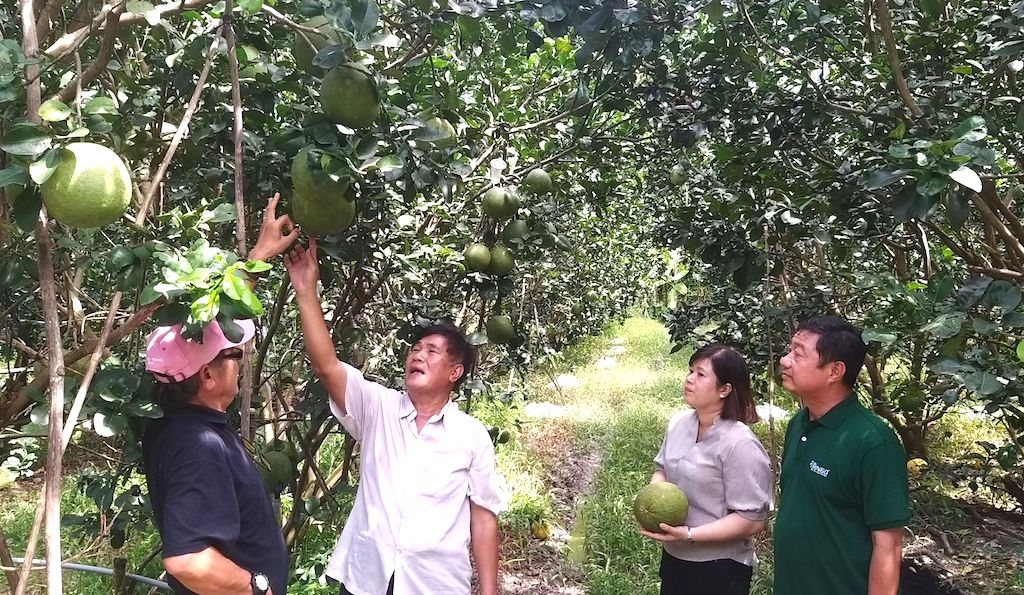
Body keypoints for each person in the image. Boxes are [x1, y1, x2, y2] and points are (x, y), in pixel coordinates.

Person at [284, 237, 508, 595]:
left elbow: (483, 517)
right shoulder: (378, 407)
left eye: (431, 351)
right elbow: (327, 367)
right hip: (367, 578)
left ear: (455, 372)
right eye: (415, 349)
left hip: (434, 585)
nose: (417, 355)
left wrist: (488, 590)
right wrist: (305, 290)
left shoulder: (471, 436)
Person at [142, 194, 299, 595]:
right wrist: (256, 586)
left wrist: (260, 255)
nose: (241, 359)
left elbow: (211, 326)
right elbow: (189, 561)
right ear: (208, 374)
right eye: (233, 353)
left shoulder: (173, 419)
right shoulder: (199, 446)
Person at [773, 315, 909, 595]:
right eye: (789, 351)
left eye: (798, 355)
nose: (785, 361)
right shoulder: (798, 423)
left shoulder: (873, 442)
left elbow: (888, 545)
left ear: (834, 371)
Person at [640, 343, 773, 595]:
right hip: (675, 557)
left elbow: (751, 521)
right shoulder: (679, 423)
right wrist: (654, 499)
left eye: (701, 375)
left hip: (719, 567)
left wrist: (689, 534)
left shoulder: (740, 444)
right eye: (690, 371)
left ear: (724, 389)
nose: (689, 379)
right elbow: (662, 470)